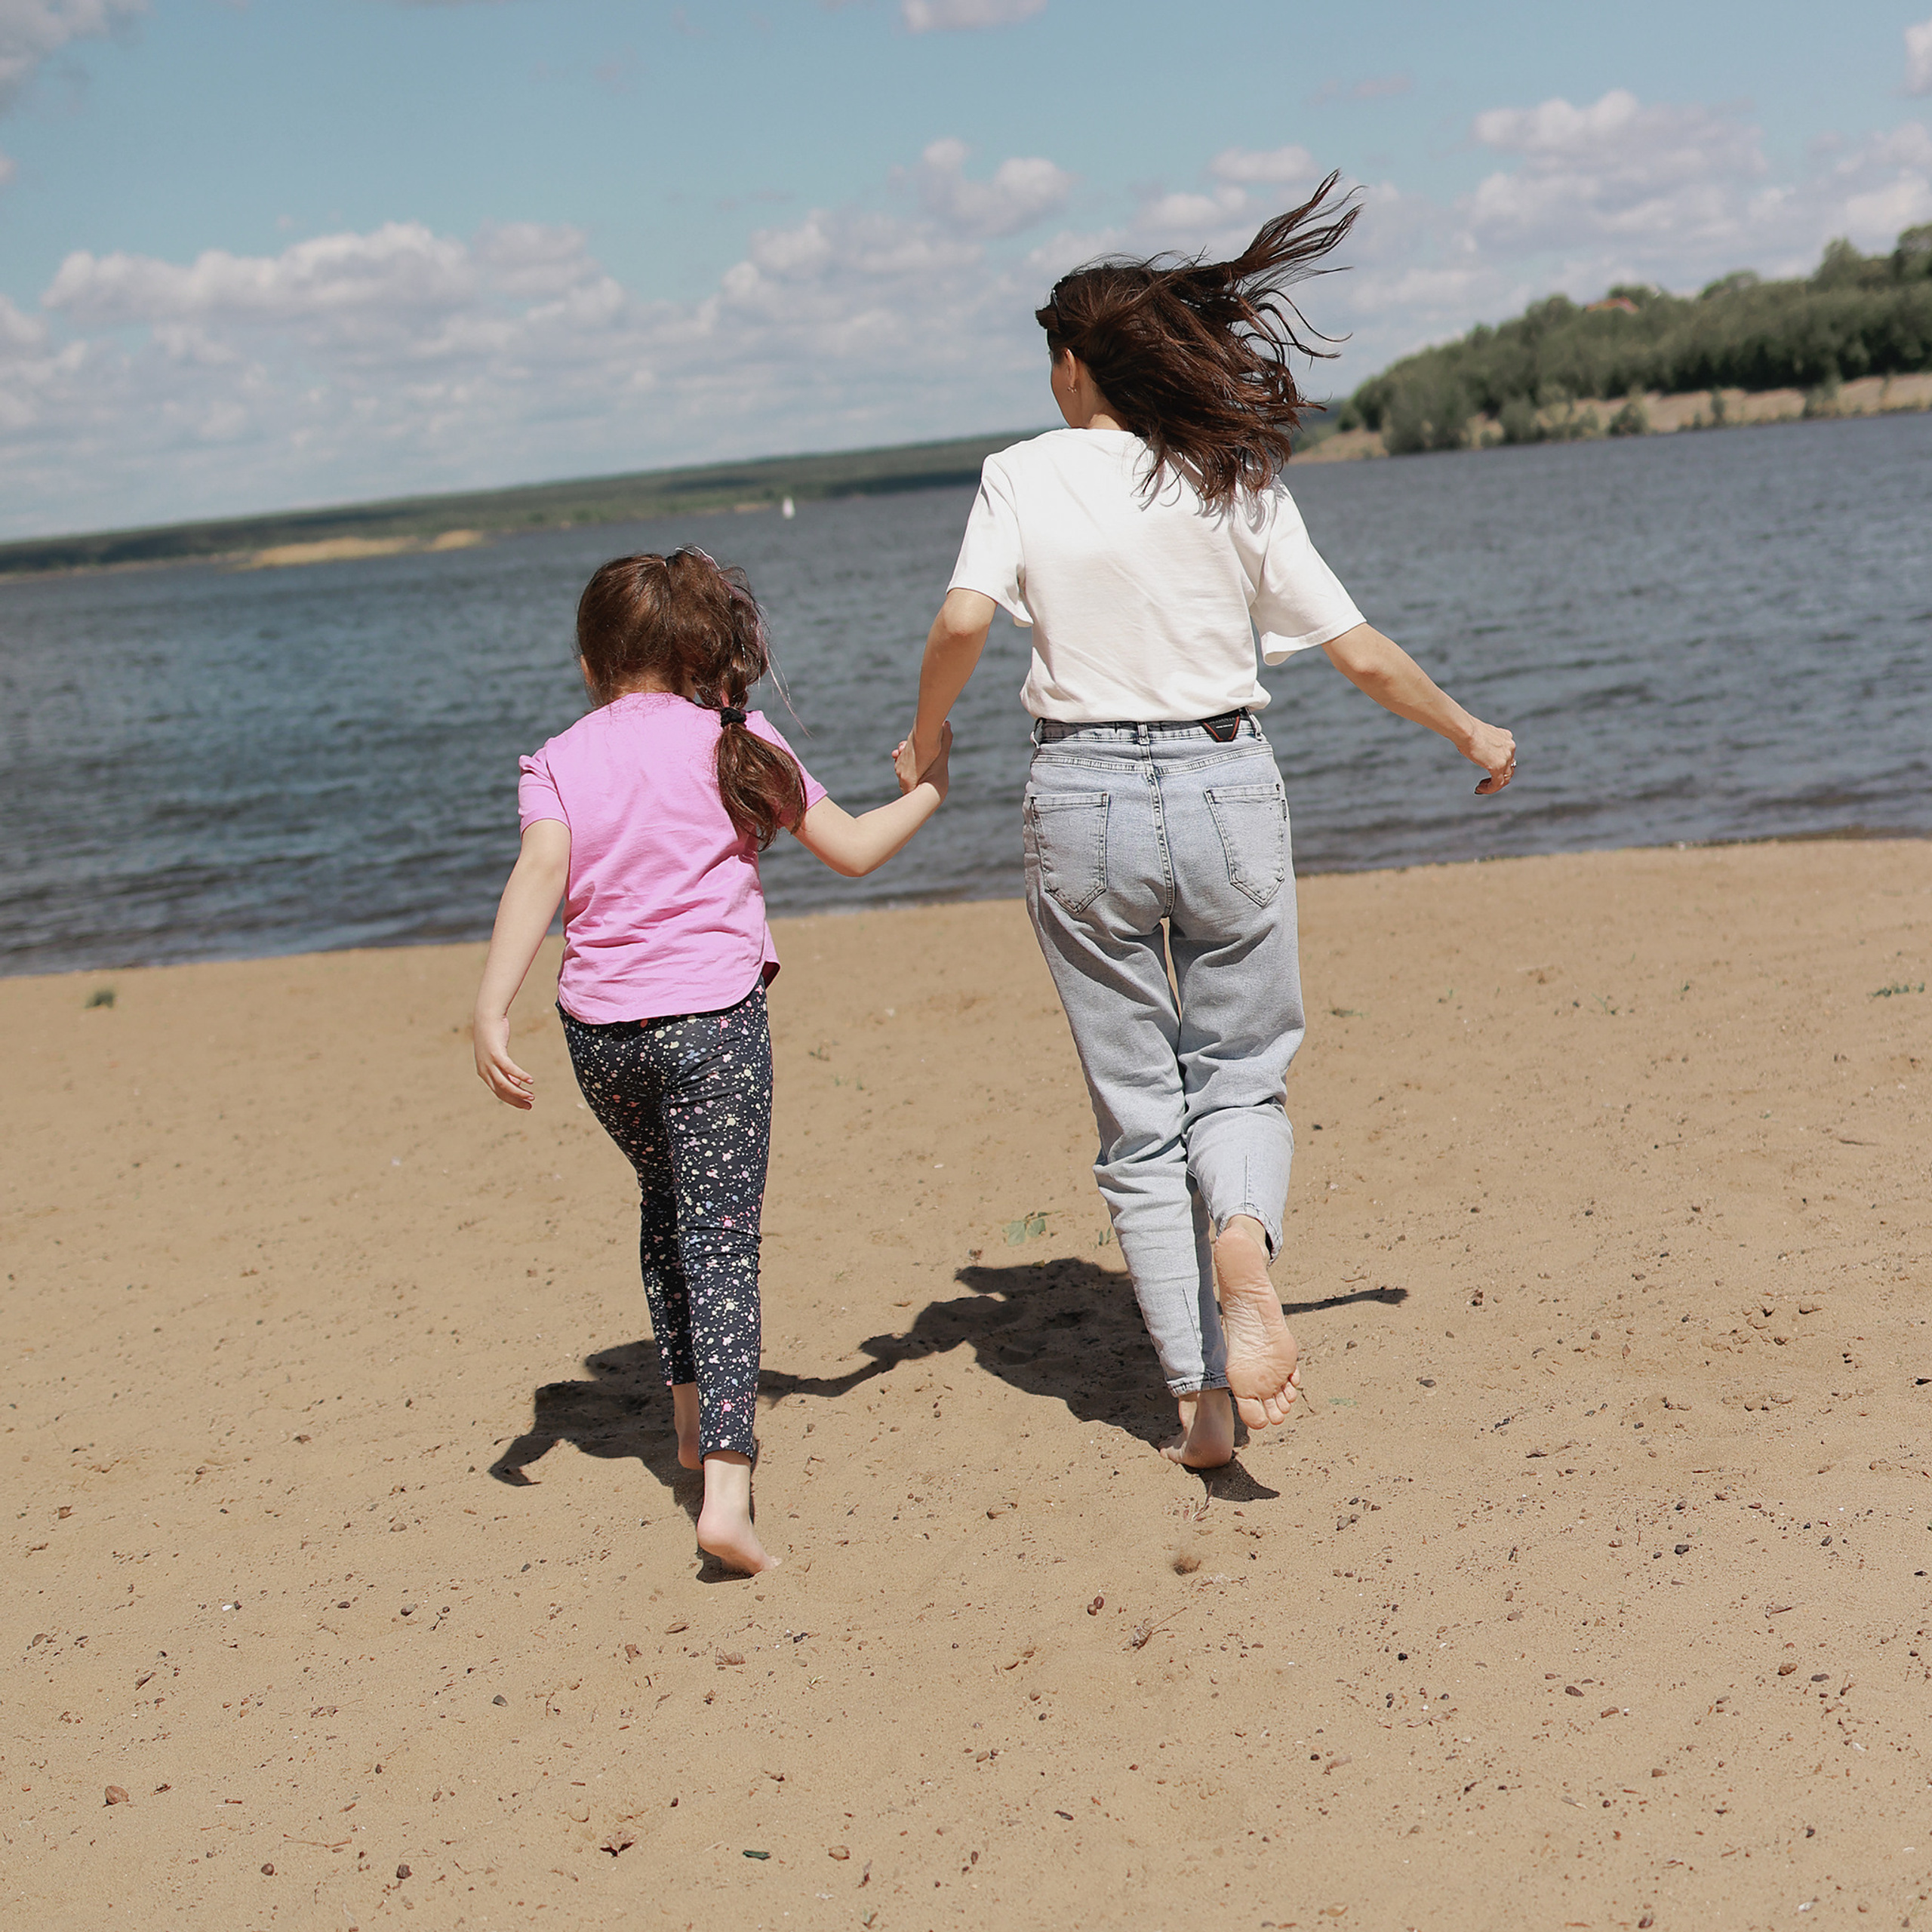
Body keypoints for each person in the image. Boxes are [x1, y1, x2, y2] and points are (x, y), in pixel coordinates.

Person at [895, 180, 1515, 1470]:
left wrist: (925, 734)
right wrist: (1470, 732)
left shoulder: (1020, 473)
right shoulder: (1234, 474)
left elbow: (962, 621)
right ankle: (1241, 1231)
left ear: (1077, 365)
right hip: (1226, 783)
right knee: (1242, 1072)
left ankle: (1200, 1408)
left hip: (1080, 799)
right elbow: (1356, 651)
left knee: (1139, 1112)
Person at [476, 546, 951, 1574]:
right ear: (693, 650)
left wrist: (490, 1009)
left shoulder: (558, 758)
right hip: (713, 1029)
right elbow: (854, 849)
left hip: (600, 1038)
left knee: (667, 1204)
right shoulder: (736, 738)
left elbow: (538, 875)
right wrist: (931, 791)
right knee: (721, 1237)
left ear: (592, 661)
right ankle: (726, 1497)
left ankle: (690, 1423)